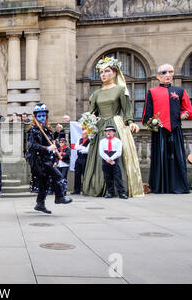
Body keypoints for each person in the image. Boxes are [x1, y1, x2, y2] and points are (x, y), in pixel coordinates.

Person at [82, 57, 144, 197]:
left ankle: (119, 189)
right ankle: (100, 187)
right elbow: (92, 113)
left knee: (117, 158)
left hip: (115, 124)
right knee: (99, 157)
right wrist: (87, 126)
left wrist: (130, 121)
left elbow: (127, 109)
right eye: (101, 72)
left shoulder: (121, 89)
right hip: (100, 127)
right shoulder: (96, 93)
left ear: (115, 73)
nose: (103, 74)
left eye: (107, 71)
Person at [142, 63, 192, 193]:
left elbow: (189, 111)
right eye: (164, 72)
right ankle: (160, 187)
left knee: (177, 158)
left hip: (175, 129)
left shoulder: (180, 91)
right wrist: (152, 122)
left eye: (171, 72)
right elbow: (146, 116)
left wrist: (184, 115)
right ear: (158, 76)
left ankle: (179, 187)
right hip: (160, 131)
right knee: (160, 159)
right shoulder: (152, 92)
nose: (168, 75)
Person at [25, 103, 73, 214]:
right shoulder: (34, 130)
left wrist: (56, 132)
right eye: (39, 116)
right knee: (58, 176)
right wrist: (47, 148)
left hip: (46, 160)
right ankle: (59, 197)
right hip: (39, 161)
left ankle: (40, 204)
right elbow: (32, 145)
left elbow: (48, 140)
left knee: (44, 183)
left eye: (43, 115)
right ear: (35, 117)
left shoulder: (45, 128)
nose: (41, 118)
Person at [99, 126, 127, 199]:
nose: (108, 132)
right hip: (105, 159)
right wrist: (107, 159)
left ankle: (121, 193)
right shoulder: (102, 141)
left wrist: (111, 159)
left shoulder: (117, 141)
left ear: (113, 132)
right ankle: (110, 192)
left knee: (117, 177)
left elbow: (119, 152)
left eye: (110, 131)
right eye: (107, 131)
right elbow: (101, 152)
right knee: (107, 177)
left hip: (114, 159)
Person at [72, 130, 90, 195]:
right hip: (79, 158)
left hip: (85, 158)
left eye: (84, 134)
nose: (82, 135)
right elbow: (76, 147)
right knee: (77, 174)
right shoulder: (80, 140)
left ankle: (85, 189)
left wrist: (81, 148)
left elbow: (87, 150)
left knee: (84, 174)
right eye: (82, 134)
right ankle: (76, 190)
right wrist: (82, 148)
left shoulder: (89, 141)